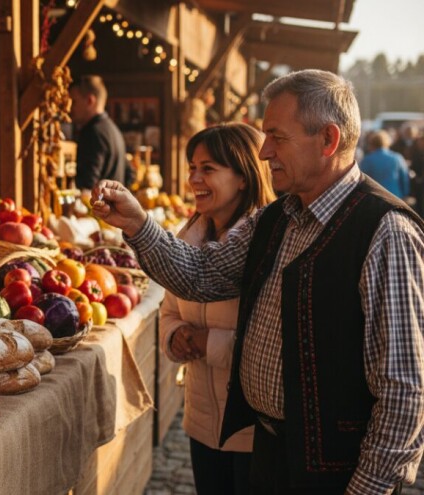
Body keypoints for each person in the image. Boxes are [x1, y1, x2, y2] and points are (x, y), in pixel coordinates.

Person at [92, 69, 424, 494]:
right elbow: (200, 276)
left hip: (332, 472)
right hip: (268, 456)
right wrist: (138, 223)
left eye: (277, 137)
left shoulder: (385, 231)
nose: (264, 151)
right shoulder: (278, 216)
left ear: (328, 140)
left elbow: (403, 392)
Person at [161, 122, 275, 495]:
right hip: (200, 421)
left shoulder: (267, 243)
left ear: (243, 177)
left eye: (207, 168)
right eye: (192, 167)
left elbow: (274, 342)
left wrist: (207, 342)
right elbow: (168, 310)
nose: (194, 178)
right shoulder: (187, 238)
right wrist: (176, 335)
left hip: (253, 431)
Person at [68, 75, 129, 193]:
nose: (70, 108)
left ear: (90, 101)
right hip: (111, 207)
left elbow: (87, 186)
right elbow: (130, 174)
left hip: (96, 209)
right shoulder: (113, 129)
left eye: (74, 102)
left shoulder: (92, 132)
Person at [359, 130, 410, 199]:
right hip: (395, 196)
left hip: (374, 197)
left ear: (372, 143)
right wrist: (405, 194)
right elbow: (404, 179)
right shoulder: (397, 158)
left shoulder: (367, 160)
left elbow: (362, 181)